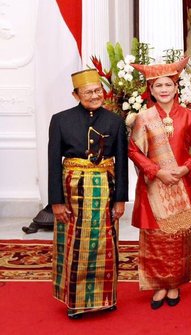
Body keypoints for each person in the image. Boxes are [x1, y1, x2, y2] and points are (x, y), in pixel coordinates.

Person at [48, 69, 128, 319]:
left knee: (106, 244)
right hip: (71, 190)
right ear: (75, 94)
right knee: (74, 246)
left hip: (105, 189)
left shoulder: (114, 121)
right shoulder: (60, 120)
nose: (95, 96)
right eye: (88, 92)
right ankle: (76, 301)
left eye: (98, 90)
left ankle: (105, 299)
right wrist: (56, 201)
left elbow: (122, 163)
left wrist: (120, 199)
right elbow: (53, 162)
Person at [127, 57, 191, 310]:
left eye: (168, 85)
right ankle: (159, 285)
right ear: (151, 90)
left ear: (176, 87)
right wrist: (157, 171)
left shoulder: (188, 116)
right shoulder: (143, 118)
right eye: (158, 86)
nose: (163, 90)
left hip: (182, 184)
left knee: (178, 237)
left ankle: (174, 285)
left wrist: (186, 167)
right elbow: (134, 150)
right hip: (154, 187)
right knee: (156, 237)